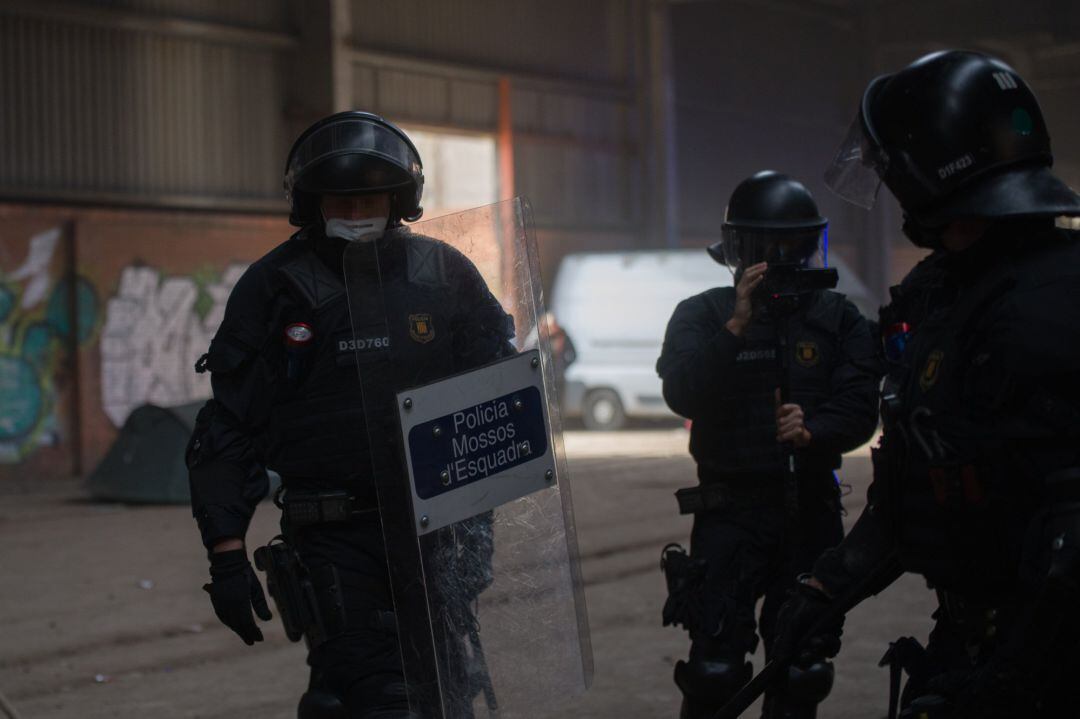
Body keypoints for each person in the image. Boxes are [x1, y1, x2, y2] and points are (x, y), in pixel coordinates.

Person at [774, 50, 1080, 719]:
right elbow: (916, 482)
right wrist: (830, 584)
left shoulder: (1049, 307)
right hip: (972, 640)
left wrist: (1013, 677)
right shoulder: (943, 291)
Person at [186, 111, 514, 718]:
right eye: (342, 198)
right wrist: (227, 557)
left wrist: (479, 521)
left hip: (439, 532)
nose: (358, 212)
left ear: (401, 199)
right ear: (311, 203)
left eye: (373, 198)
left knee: (444, 695)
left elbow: (499, 394)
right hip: (334, 537)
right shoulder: (275, 287)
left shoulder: (443, 274)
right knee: (384, 700)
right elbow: (229, 429)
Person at [656, 170, 880, 719]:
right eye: (763, 249)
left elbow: (860, 411)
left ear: (808, 247)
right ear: (739, 251)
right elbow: (682, 392)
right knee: (715, 669)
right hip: (729, 518)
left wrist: (814, 431)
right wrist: (736, 325)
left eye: (790, 247)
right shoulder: (703, 315)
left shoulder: (839, 320)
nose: (777, 260)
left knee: (801, 668)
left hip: (810, 515)